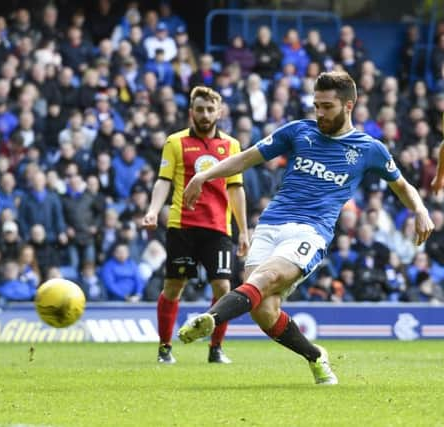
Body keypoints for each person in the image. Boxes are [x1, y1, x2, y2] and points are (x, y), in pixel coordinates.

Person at [178, 71, 434, 384]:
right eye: (316, 105)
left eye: (327, 106)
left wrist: (420, 209)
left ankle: (210, 319)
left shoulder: (369, 149)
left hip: (310, 231)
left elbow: (402, 186)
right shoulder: (299, 131)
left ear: (348, 106)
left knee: (267, 277)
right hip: (271, 224)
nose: (320, 113)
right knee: (264, 310)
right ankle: (315, 356)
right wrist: (204, 176)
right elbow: (245, 159)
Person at [142, 86, 249, 364]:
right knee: (174, 286)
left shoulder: (232, 145)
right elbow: (164, 180)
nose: (205, 114)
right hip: (183, 226)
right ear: (191, 112)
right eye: (199, 109)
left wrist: (244, 231)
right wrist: (153, 210)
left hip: (218, 228)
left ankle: (216, 348)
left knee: (223, 289)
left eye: (210, 109)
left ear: (219, 112)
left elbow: (236, 189)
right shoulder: (175, 142)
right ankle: (165, 347)